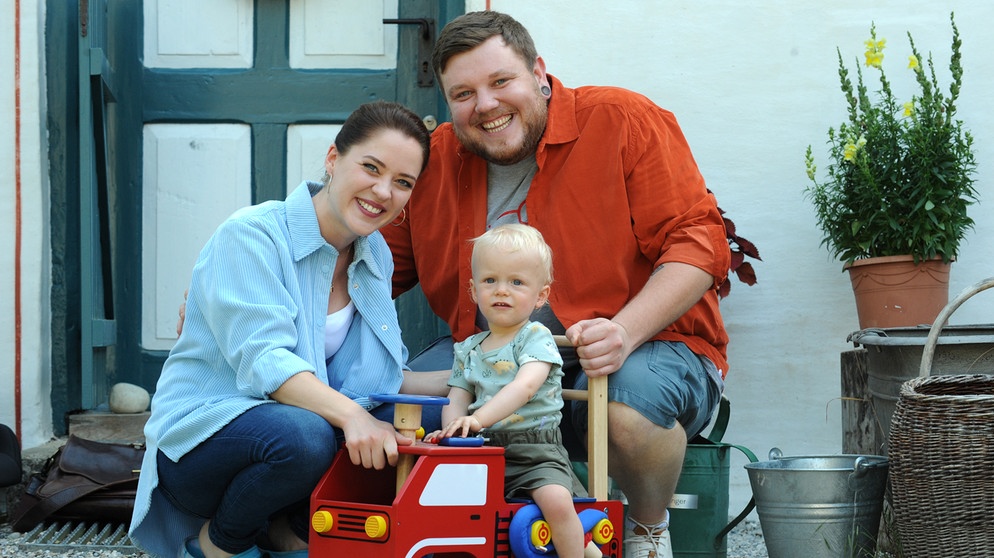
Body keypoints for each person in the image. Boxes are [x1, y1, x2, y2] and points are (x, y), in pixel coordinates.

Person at [381, 11, 730, 558]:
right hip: (492, 350)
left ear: (539, 73)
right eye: (464, 93)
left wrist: (624, 331)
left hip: (650, 345)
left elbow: (699, 245)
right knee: (382, 405)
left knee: (624, 410)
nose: (486, 106)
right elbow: (372, 264)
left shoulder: (622, 119)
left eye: (501, 82)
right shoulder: (436, 158)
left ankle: (645, 532)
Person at [130, 100, 432, 558]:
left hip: (294, 440)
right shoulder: (252, 234)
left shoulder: (375, 257)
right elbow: (265, 363)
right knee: (306, 434)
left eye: (403, 182)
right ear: (333, 159)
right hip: (204, 449)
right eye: (371, 167)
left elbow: (381, 380)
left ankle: (288, 529)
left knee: (420, 422)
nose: (383, 191)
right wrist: (352, 417)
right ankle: (220, 543)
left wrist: (485, 372)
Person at [425, 224, 600, 558]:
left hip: (536, 451)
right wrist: (453, 428)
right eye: (490, 281)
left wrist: (477, 420)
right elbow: (457, 395)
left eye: (516, 282)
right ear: (474, 291)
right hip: (482, 452)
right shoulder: (469, 348)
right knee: (448, 500)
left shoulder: (535, 337)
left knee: (556, 502)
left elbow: (525, 386)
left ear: (541, 296)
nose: (501, 291)